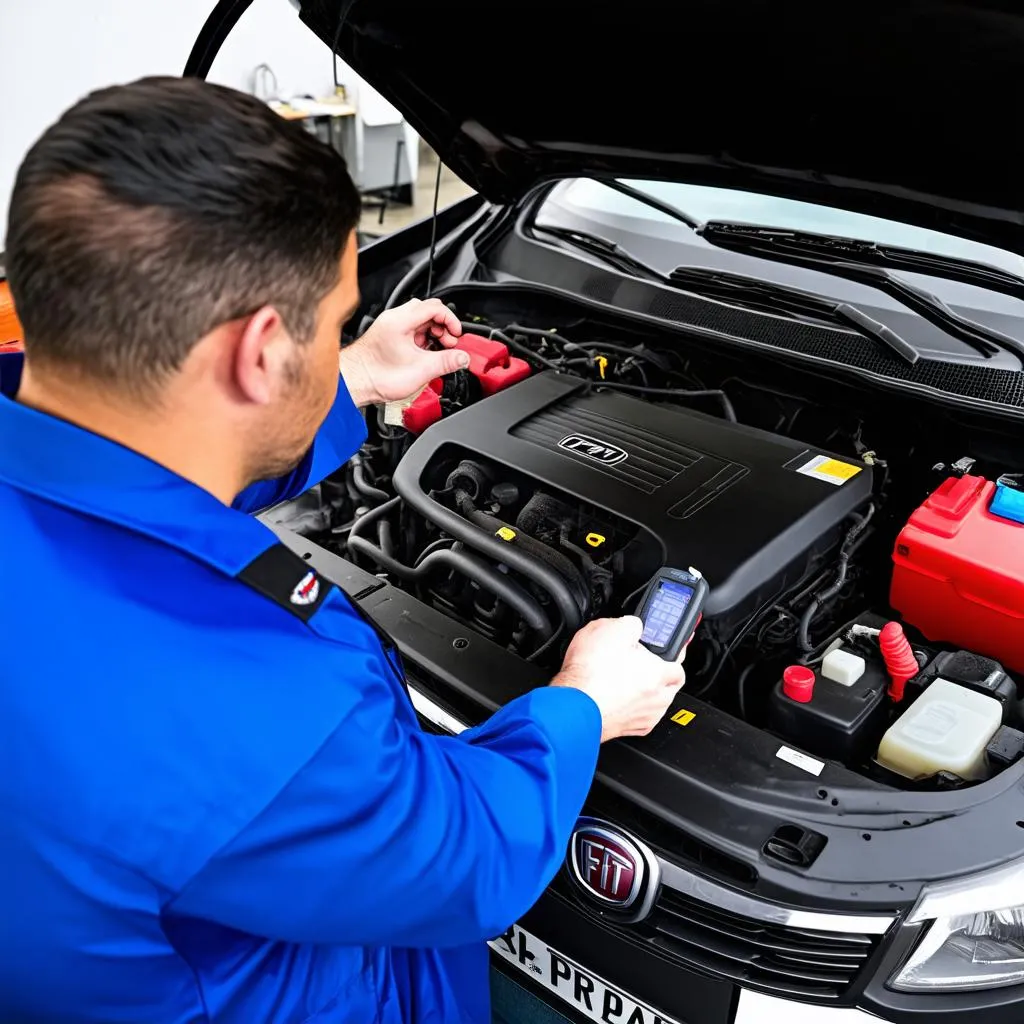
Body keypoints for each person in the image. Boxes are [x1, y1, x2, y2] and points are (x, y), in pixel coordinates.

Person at [0, 77, 686, 1024]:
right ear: (256, 353)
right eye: (332, 325)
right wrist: (584, 704)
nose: (341, 340)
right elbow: (465, 859)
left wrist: (353, 375)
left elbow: (145, 458)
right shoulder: (262, 708)